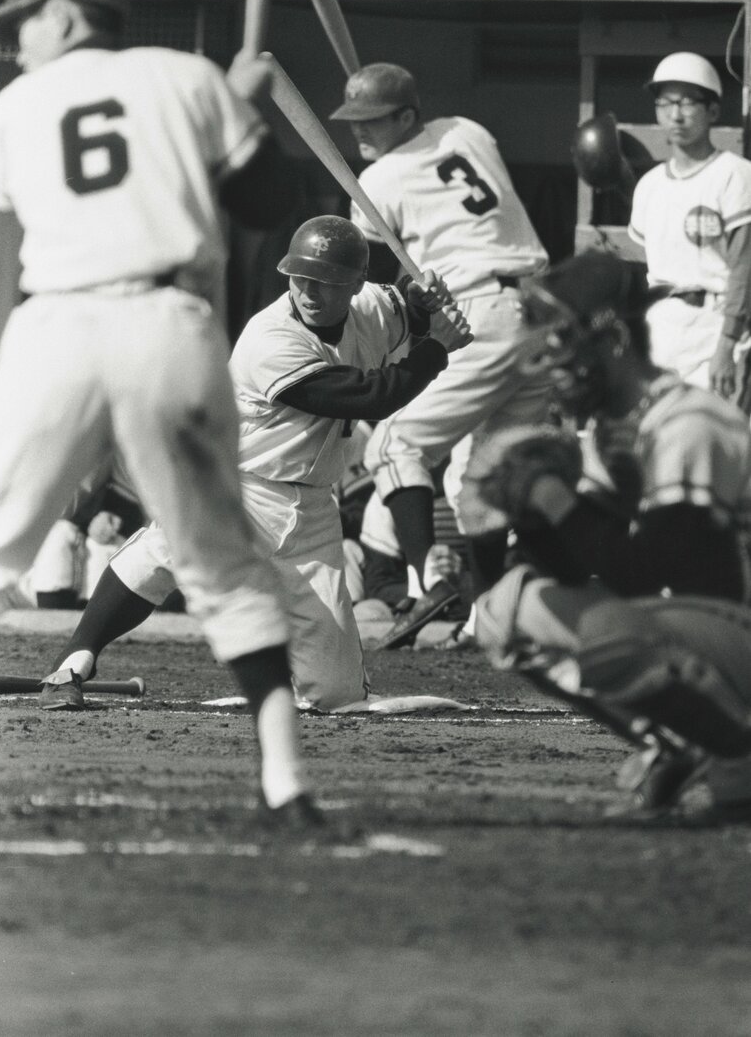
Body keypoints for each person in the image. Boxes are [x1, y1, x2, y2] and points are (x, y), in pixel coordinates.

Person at [0, 0, 326, 832]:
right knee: (218, 560)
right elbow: (263, 203)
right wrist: (240, 109)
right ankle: (287, 783)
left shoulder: (14, 104)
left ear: (62, 16)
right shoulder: (190, 76)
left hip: (55, 322)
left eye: (24, 23)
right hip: (168, 326)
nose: (18, 44)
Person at [39, 215, 471, 713]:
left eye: (326, 282)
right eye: (300, 277)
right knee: (161, 552)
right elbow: (371, 397)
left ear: (355, 285)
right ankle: (74, 659)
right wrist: (438, 347)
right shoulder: (270, 339)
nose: (309, 291)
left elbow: (404, 311)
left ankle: (291, 676)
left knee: (335, 695)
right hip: (240, 485)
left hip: (312, 514)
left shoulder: (371, 306)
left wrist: (424, 302)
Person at [465, 250, 751, 824]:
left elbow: (653, 569)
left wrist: (552, 497)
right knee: (504, 610)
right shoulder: (613, 429)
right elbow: (572, 569)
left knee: (611, 635)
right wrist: (526, 513)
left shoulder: (688, 423)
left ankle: (740, 761)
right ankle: (681, 744)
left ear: (614, 340)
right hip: (707, 625)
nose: (553, 361)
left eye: (564, 342)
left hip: (731, 614)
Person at [329, 62, 551, 648]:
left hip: (480, 312)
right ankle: (490, 619)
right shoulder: (465, 130)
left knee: (394, 445)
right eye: (352, 120)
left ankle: (431, 577)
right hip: (541, 312)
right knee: (483, 475)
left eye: (372, 119)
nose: (359, 131)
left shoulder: (377, 181)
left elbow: (371, 268)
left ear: (406, 115)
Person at [628, 52, 751, 404]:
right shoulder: (649, 185)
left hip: (714, 323)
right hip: (661, 326)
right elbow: (643, 268)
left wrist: (727, 345)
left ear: (712, 111)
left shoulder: (735, 173)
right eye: (665, 103)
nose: (676, 114)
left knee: (713, 440)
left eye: (687, 103)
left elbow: (745, 268)